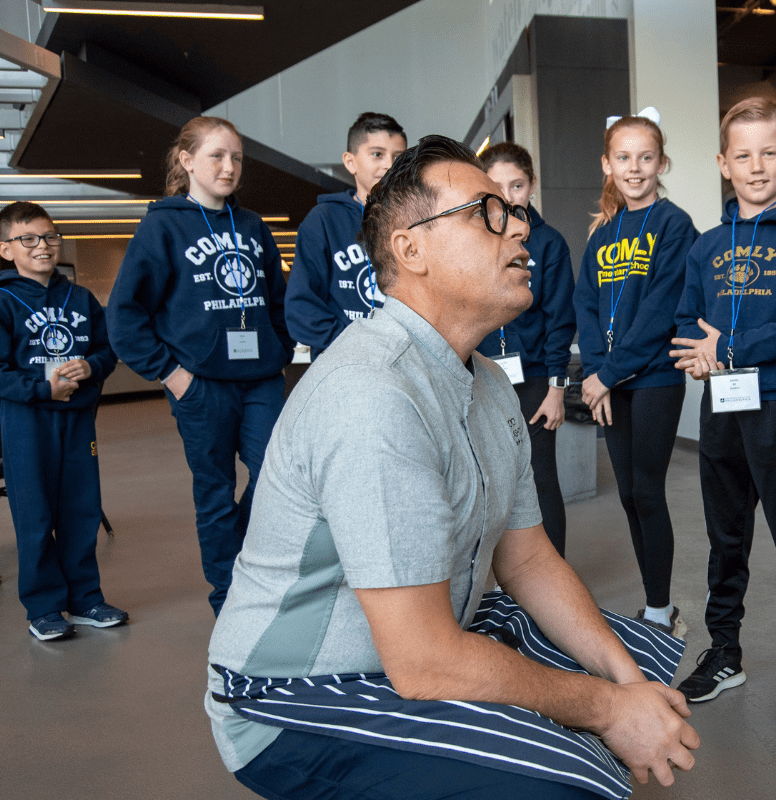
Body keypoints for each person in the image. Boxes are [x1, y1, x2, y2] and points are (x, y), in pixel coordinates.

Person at [205, 135, 699, 800]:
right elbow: (423, 662)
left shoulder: (489, 382)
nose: (519, 225)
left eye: (513, 211)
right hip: (297, 694)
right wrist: (608, 710)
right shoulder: (371, 393)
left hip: (417, 643)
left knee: (635, 659)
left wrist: (627, 684)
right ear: (411, 250)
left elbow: (527, 559)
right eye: (486, 214)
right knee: (566, 779)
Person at [669, 97, 776, 721]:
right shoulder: (707, 245)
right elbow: (686, 317)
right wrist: (700, 353)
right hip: (721, 406)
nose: (757, 165)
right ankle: (725, 653)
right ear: (723, 164)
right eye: (743, 155)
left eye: (770, 152)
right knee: (725, 539)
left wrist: (732, 347)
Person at [107, 116, 294, 615]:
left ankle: (252, 569)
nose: (229, 167)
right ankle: (228, 597)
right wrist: (173, 375)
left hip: (260, 382)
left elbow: (279, 301)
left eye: (236, 157)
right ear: (187, 161)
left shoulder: (253, 225)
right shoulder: (162, 225)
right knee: (214, 491)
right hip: (201, 386)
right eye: (217, 156)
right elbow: (124, 316)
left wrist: (277, 349)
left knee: (279, 477)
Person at [0, 201, 126, 640]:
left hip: (77, 422)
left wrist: (91, 367)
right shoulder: (1, 303)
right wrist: (43, 389)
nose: (42, 246)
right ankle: (43, 608)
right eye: (28, 239)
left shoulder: (79, 298)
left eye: (49, 237)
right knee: (36, 515)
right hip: (28, 425)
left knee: (81, 509)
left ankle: (85, 600)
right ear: (6, 250)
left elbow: (105, 349)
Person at [573, 111, 698, 636]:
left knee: (646, 490)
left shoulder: (675, 225)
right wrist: (599, 373)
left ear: (661, 162)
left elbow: (659, 313)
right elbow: (588, 304)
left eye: (645, 157)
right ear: (607, 164)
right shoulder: (603, 232)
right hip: (612, 381)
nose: (634, 168)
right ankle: (657, 605)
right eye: (623, 157)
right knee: (626, 493)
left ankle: (659, 609)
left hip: (652, 380)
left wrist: (609, 374)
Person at [476, 142, 576, 555]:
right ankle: (507, 582)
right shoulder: (476, 240)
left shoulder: (549, 243)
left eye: (516, 185)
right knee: (491, 477)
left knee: (539, 475)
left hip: (534, 377)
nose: (508, 195)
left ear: (531, 186)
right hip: (483, 373)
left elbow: (559, 320)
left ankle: (554, 577)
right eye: (497, 186)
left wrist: (557, 390)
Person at [285, 112, 407, 358]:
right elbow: (301, 308)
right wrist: (355, 346)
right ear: (350, 162)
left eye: (398, 157)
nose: (388, 165)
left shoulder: (417, 220)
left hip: (404, 361)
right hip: (343, 363)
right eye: (377, 154)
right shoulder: (323, 220)